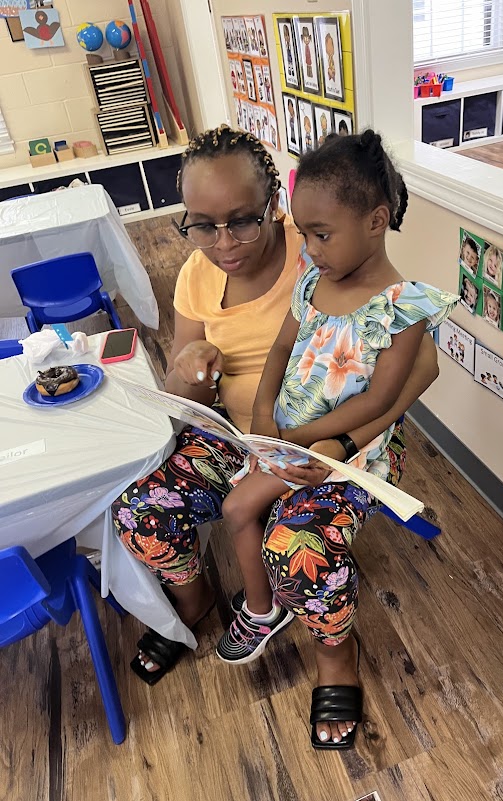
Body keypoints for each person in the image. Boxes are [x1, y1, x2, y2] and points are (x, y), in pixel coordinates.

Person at [111, 125, 441, 746]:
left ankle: (334, 656)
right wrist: (187, 373)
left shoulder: (322, 247)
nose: (224, 243)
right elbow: (192, 393)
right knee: (142, 511)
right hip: (242, 435)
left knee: (298, 545)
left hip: (328, 446)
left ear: (276, 206)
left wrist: (333, 446)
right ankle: (196, 602)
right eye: (202, 225)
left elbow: (417, 368)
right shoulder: (197, 276)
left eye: (242, 221)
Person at [218, 131, 457, 748]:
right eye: (305, 232)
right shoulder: (311, 280)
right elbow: (279, 349)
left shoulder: (402, 308)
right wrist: (265, 411)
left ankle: (335, 656)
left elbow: (378, 403)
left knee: (295, 547)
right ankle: (264, 613)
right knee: (237, 506)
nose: (311, 247)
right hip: (291, 437)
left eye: (323, 234)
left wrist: (311, 440)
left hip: (352, 454)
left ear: (376, 222)